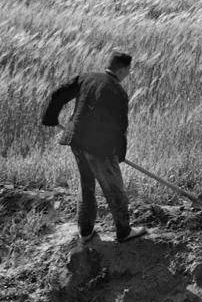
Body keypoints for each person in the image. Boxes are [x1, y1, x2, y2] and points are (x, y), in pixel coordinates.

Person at [41, 51, 147, 244]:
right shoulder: (117, 91)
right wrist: (119, 154)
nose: (129, 74)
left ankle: (85, 230)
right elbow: (120, 127)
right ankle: (124, 231)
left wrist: (50, 118)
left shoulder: (85, 78)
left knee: (87, 184)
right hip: (100, 147)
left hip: (76, 140)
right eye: (128, 70)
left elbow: (58, 94)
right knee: (114, 188)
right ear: (122, 69)